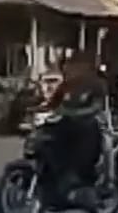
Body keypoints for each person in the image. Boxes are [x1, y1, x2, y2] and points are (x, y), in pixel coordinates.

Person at [46, 54, 108, 201]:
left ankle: (83, 182)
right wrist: (34, 109)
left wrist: (77, 113)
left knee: (84, 143)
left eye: (72, 65)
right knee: (47, 138)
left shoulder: (96, 84)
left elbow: (97, 107)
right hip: (67, 122)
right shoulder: (66, 86)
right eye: (66, 66)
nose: (67, 69)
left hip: (88, 123)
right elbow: (52, 105)